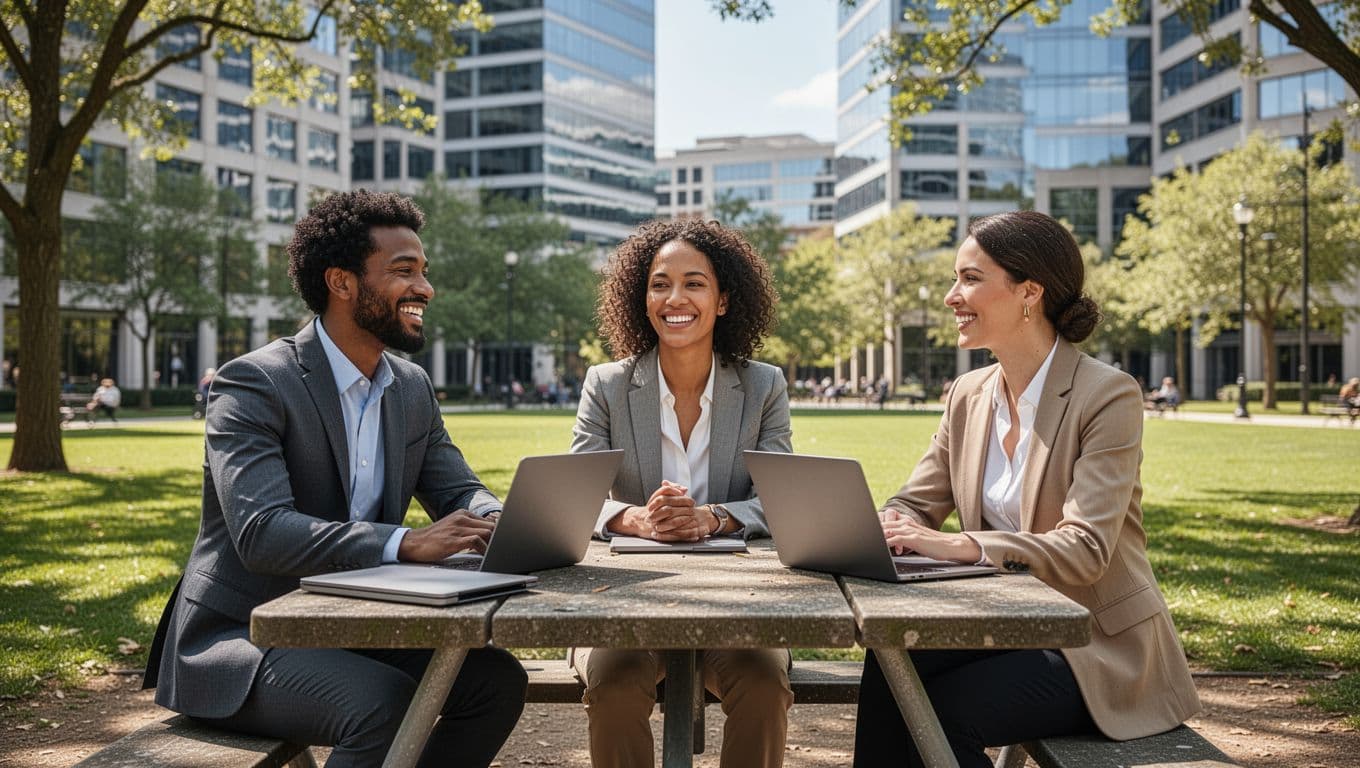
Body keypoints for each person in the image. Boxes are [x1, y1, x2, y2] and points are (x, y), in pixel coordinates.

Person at [142, 190, 526, 768]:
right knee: (381, 703)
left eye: (423, 271)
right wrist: (404, 543)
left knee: (494, 681)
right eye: (404, 271)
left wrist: (492, 516)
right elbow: (263, 532)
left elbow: (457, 487)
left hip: (355, 623)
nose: (425, 288)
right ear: (342, 283)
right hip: (242, 638)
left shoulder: (411, 386)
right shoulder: (255, 384)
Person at [853, 211, 1200, 767]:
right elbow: (916, 502)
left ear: (1029, 292)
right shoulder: (969, 393)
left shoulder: (1108, 395)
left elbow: (1085, 548)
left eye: (969, 278)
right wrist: (883, 524)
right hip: (1001, 622)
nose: (951, 297)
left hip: (1096, 648)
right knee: (892, 668)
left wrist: (964, 544)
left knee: (944, 710)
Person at [569, 218, 793, 768]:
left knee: (765, 686)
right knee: (615, 685)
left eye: (694, 283)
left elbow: (786, 498)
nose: (675, 297)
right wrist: (634, 520)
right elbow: (573, 497)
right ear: (640, 297)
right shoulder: (607, 384)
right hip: (623, 608)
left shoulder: (764, 386)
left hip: (740, 606)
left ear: (721, 301)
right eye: (659, 283)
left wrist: (712, 519)